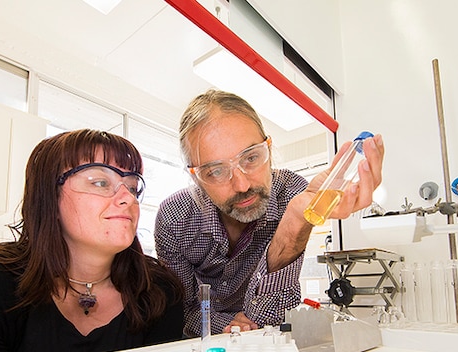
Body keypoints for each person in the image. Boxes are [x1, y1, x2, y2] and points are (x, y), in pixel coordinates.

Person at [0, 129, 184, 352]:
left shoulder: (159, 292)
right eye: (101, 182)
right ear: (48, 197)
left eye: (132, 186)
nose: (127, 198)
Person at [154, 89, 384, 337]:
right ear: (196, 177)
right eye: (216, 171)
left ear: (269, 150)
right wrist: (228, 326)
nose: (242, 186)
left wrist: (295, 224)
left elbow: (275, 313)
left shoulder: (293, 195)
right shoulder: (174, 218)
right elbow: (182, 312)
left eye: (251, 157)